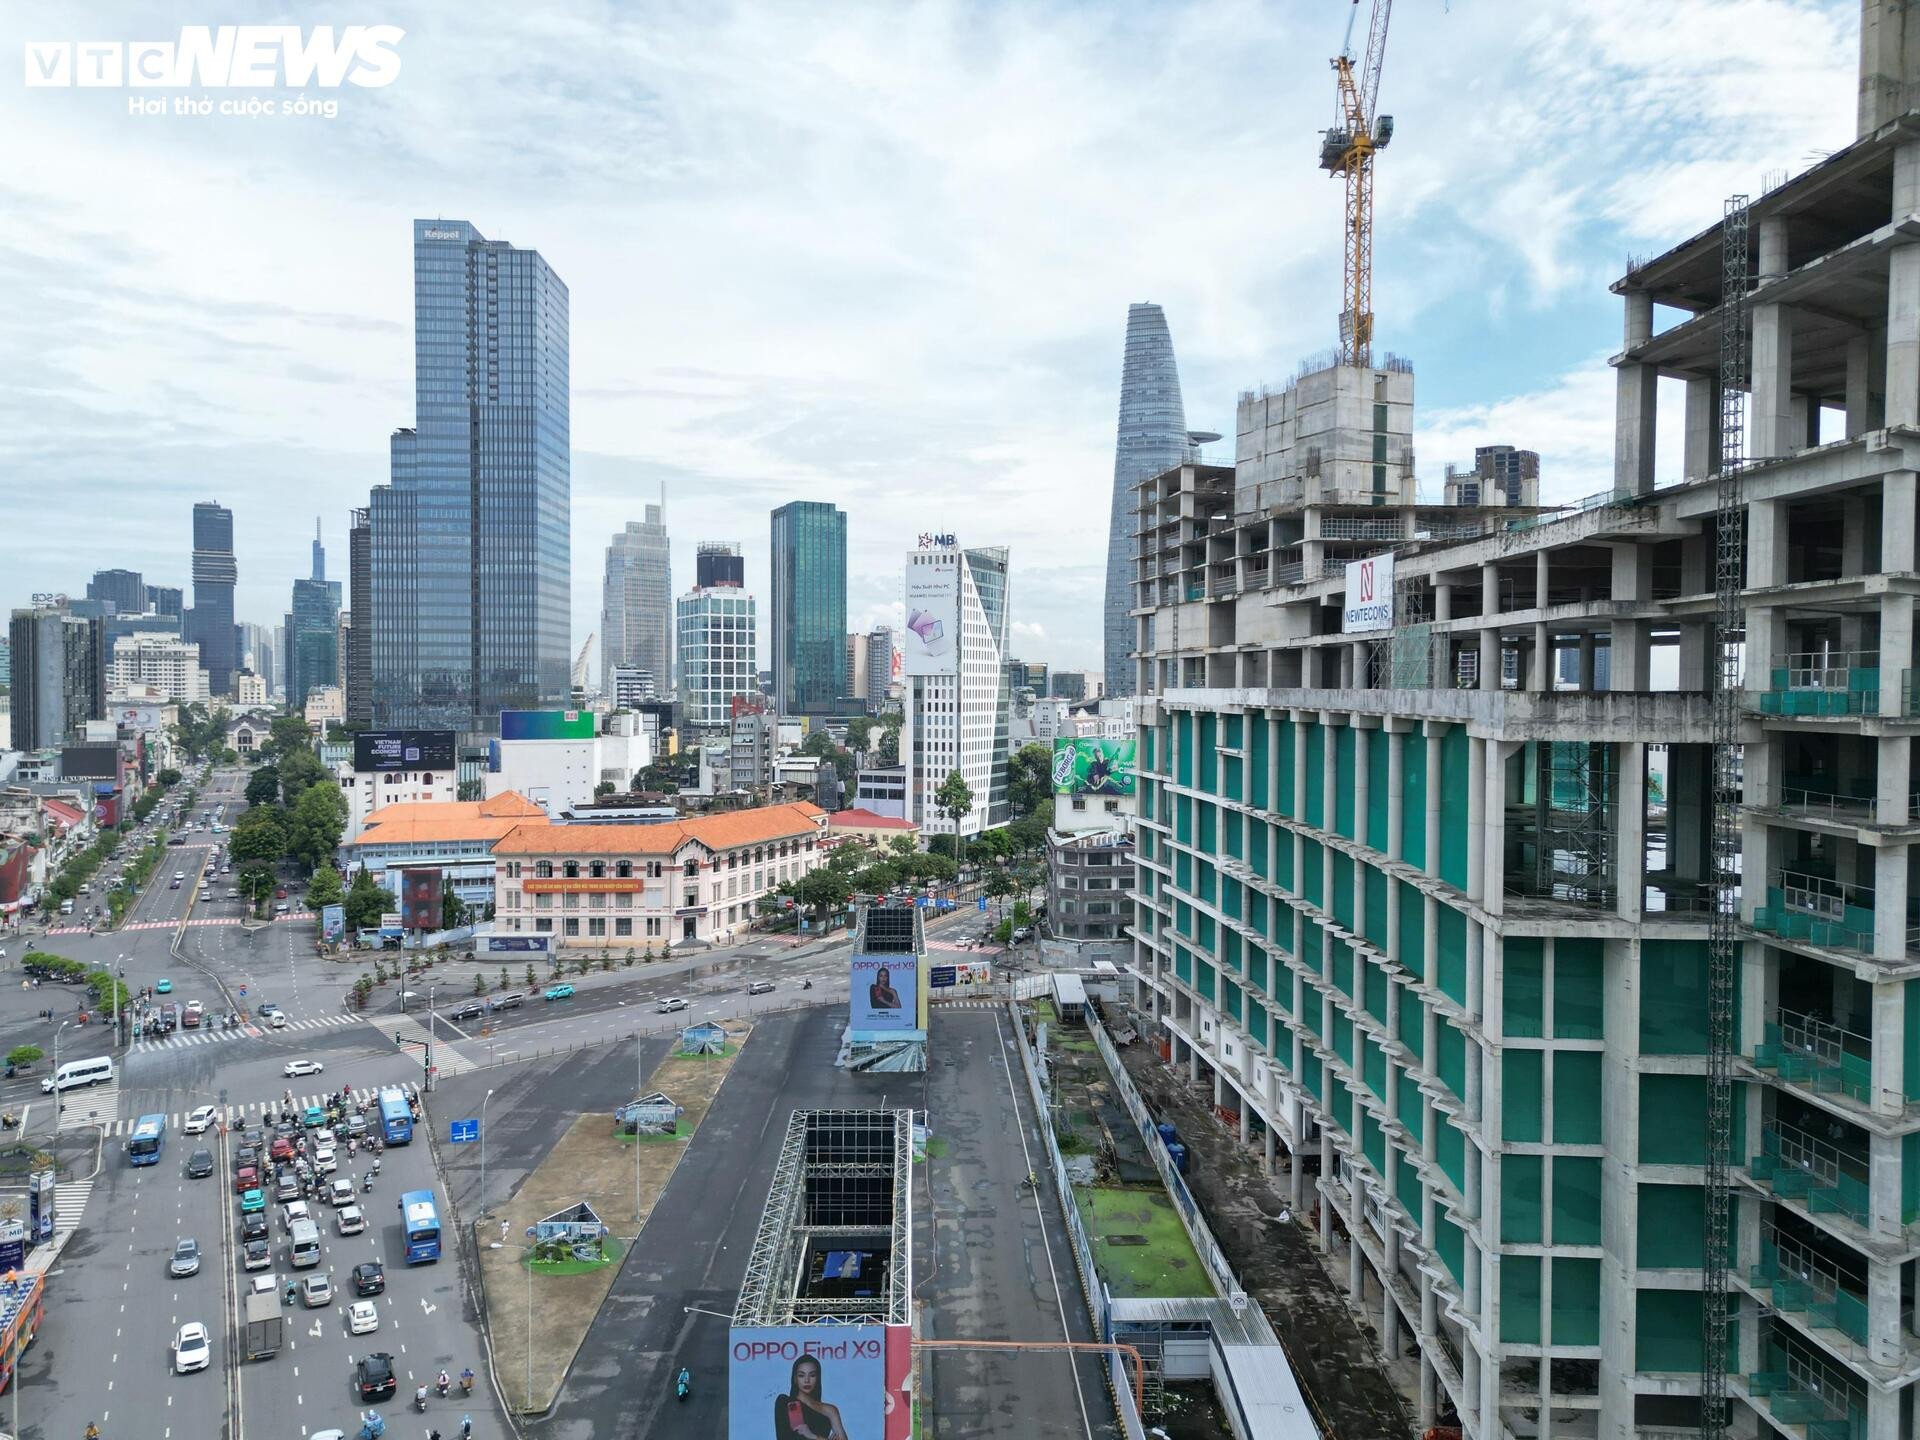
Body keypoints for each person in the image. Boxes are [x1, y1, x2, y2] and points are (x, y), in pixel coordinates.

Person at [773, 1354, 846, 1440]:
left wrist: (813, 1436)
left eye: (812, 1375)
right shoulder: (785, 1402)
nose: (807, 1380)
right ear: (795, 1378)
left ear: (817, 1378)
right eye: (801, 1375)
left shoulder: (830, 1410)